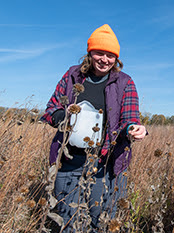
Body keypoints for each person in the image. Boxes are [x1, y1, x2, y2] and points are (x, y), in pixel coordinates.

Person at [40, 24, 147, 232]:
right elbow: (51, 108)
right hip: (70, 161)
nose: (104, 60)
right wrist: (62, 115)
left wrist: (134, 128)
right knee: (67, 222)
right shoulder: (72, 76)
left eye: (110, 55)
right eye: (99, 53)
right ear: (90, 53)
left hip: (105, 164)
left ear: (116, 59)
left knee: (104, 223)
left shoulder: (125, 82)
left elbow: (130, 118)